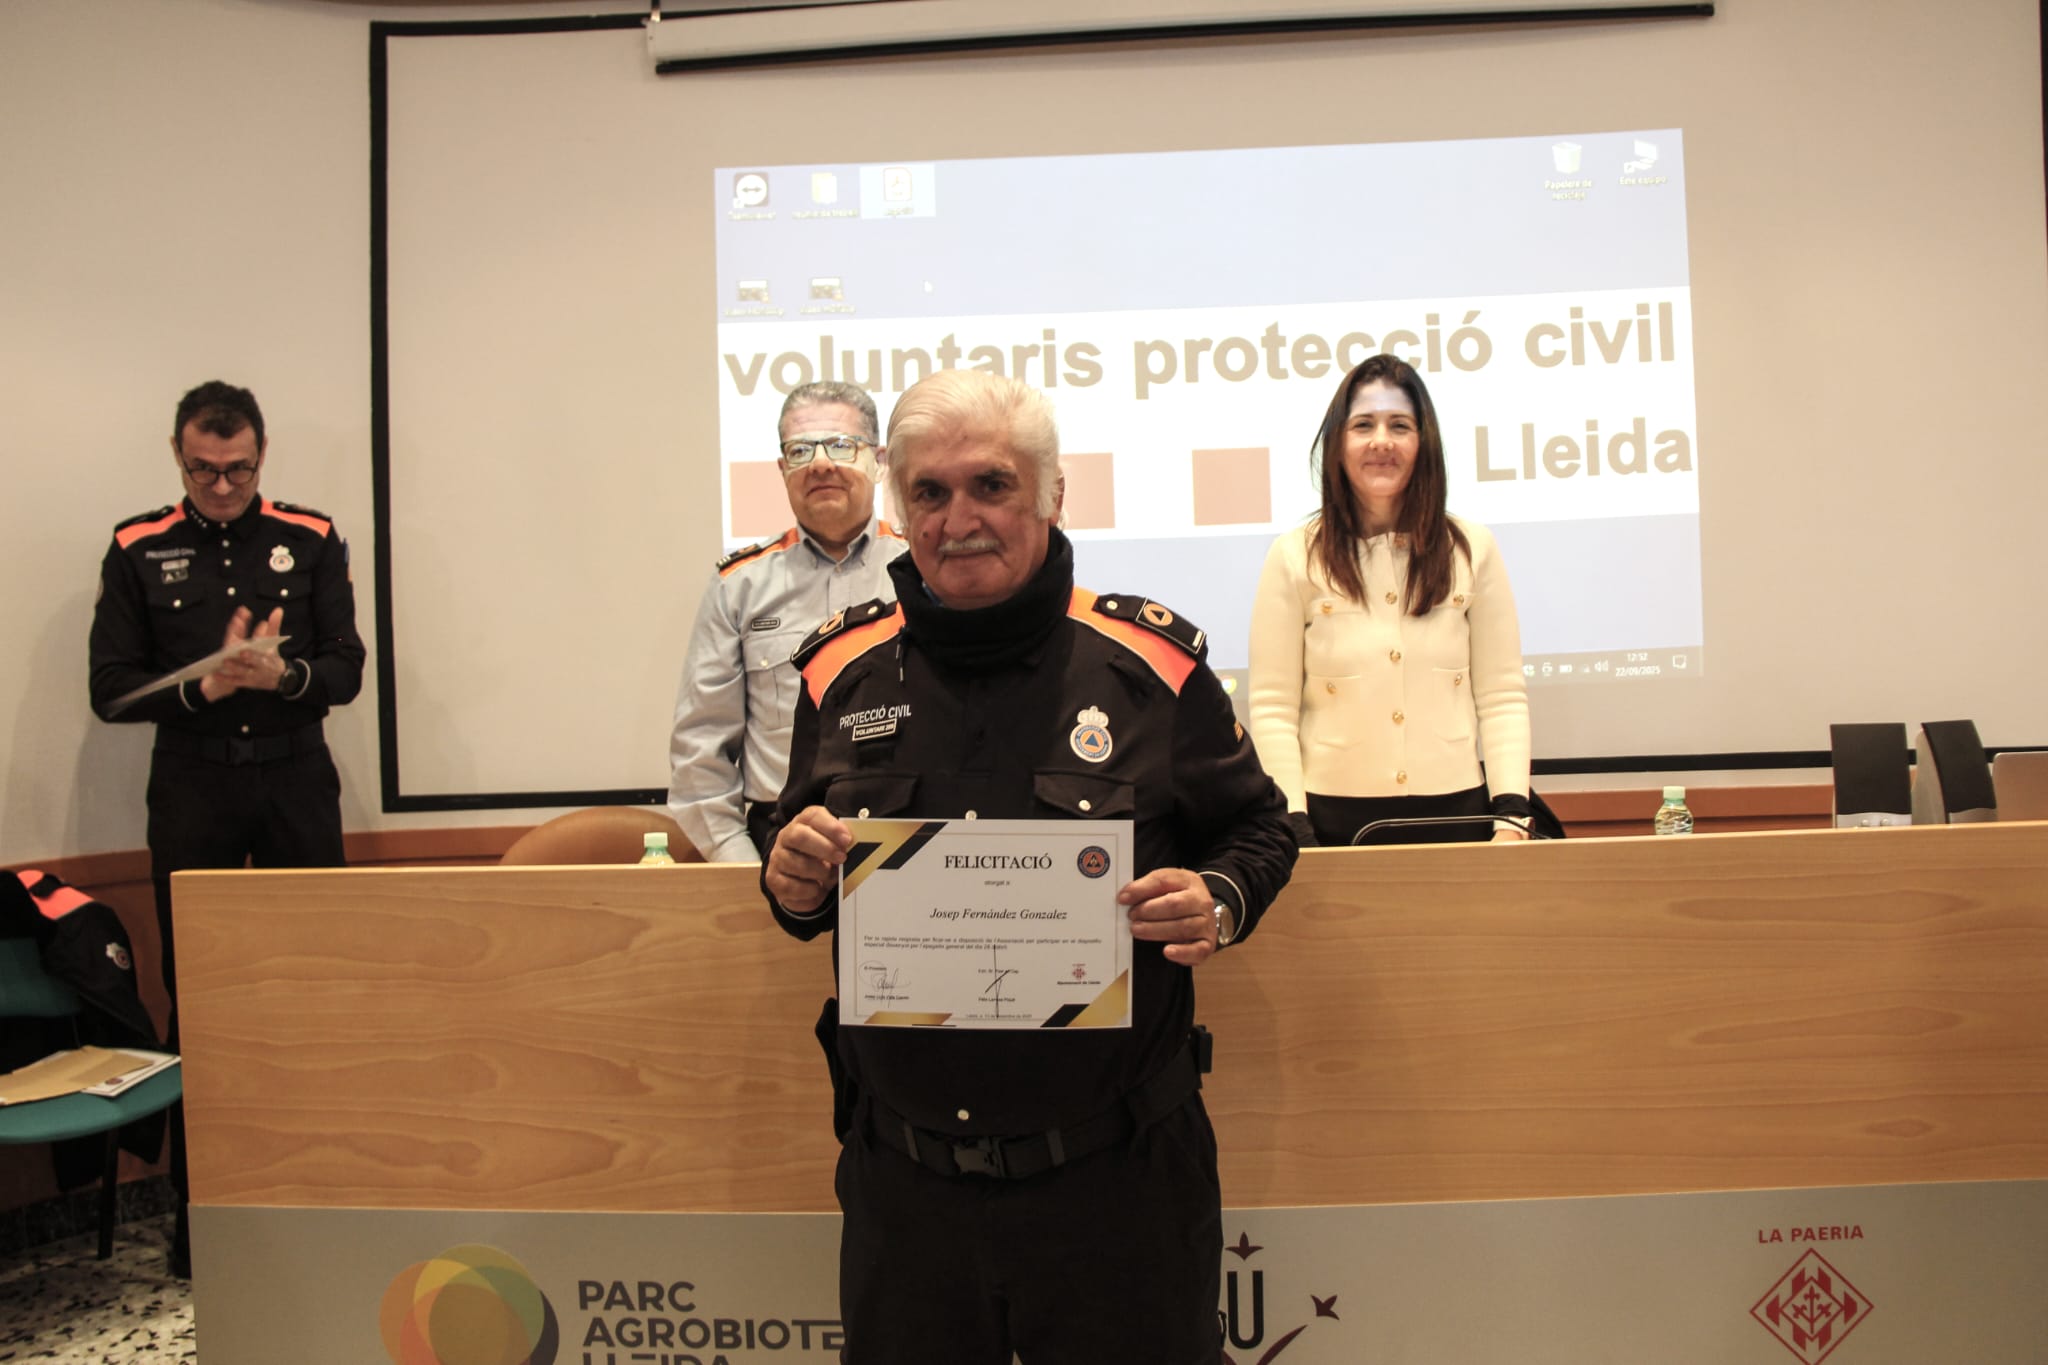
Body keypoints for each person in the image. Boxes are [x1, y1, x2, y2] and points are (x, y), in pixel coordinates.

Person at [761, 369, 1297, 1364]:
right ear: (899, 506)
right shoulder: (841, 673)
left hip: (1119, 1189)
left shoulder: (1148, 667)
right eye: (929, 491)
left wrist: (1217, 899)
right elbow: (800, 855)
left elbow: (1259, 830)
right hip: (907, 1196)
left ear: (1051, 495)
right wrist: (789, 881)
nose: (958, 519)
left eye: (991, 485)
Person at [87, 379, 364, 1274]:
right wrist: (204, 687)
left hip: (295, 779)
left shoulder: (310, 536)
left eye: (237, 469)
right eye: (203, 469)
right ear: (178, 456)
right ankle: (198, 1209)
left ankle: (331, 1189)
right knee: (198, 998)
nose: (220, 486)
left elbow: (347, 666)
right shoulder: (138, 546)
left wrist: (282, 678)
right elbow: (110, 689)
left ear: (261, 454)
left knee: (319, 988)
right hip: (194, 785)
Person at [1248, 353, 1530, 847]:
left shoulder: (1472, 548)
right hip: (1330, 820)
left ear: (1424, 443)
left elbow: (1502, 696)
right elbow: (1273, 708)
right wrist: (1293, 823)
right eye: (1363, 425)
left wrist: (1512, 817)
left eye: (1400, 425)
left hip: (1456, 814)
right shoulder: (1294, 556)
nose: (1382, 441)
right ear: (1338, 444)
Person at [668, 381, 905, 861]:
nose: (820, 464)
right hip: (776, 841)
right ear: (782, 470)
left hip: (902, 834)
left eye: (840, 445)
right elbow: (700, 754)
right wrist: (744, 869)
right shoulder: (740, 585)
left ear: (879, 461)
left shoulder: (920, 569)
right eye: (800, 450)